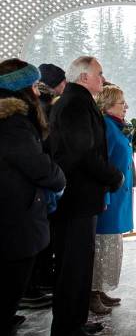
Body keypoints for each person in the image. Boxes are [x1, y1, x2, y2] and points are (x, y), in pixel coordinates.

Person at [48, 56, 123, 336]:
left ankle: (75, 320)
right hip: (76, 198)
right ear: (83, 77)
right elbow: (83, 153)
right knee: (72, 265)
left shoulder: (77, 101)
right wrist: (113, 176)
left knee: (80, 264)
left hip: (81, 196)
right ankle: (67, 326)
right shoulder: (75, 104)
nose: (103, 80)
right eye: (99, 75)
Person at [0, 60, 65, 336]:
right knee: (11, 281)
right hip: (15, 214)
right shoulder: (14, 123)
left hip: (12, 210)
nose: (37, 93)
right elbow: (35, 164)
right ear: (22, 89)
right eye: (32, 86)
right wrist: (58, 178)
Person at [89, 85, 134, 315]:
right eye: (121, 103)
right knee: (101, 245)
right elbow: (101, 161)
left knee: (111, 244)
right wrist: (104, 194)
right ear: (107, 107)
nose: (125, 106)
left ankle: (102, 287)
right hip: (109, 195)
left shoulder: (119, 125)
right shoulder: (105, 125)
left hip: (120, 194)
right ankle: (93, 292)